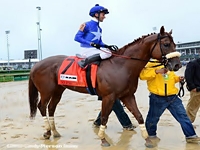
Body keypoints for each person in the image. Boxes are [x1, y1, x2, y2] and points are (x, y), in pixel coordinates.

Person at [139, 61, 200, 143]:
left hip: (173, 97)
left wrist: (178, 79)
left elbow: (170, 78)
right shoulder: (150, 65)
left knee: (183, 117)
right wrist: (156, 71)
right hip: (157, 97)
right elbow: (142, 76)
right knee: (153, 118)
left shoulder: (169, 64)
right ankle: (151, 136)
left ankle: (191, 136)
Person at [74, 4, 118, 68]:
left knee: (110, 51)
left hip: (93, 49)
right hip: (86, 50)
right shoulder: (86, 25)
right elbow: (77, 38)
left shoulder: (99, 29)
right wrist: (91, 44)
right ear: (96, 14)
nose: (104, 17)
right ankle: (84, 62)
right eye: (103, 14)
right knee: (108, 53)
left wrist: (107, 46)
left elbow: (99, 42)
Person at [184, 58, 200, 123]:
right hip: (196, 89)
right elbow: (188, 76)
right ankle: (188, 123)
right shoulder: (193, 63)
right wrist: (192, 87)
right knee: (192, 107)